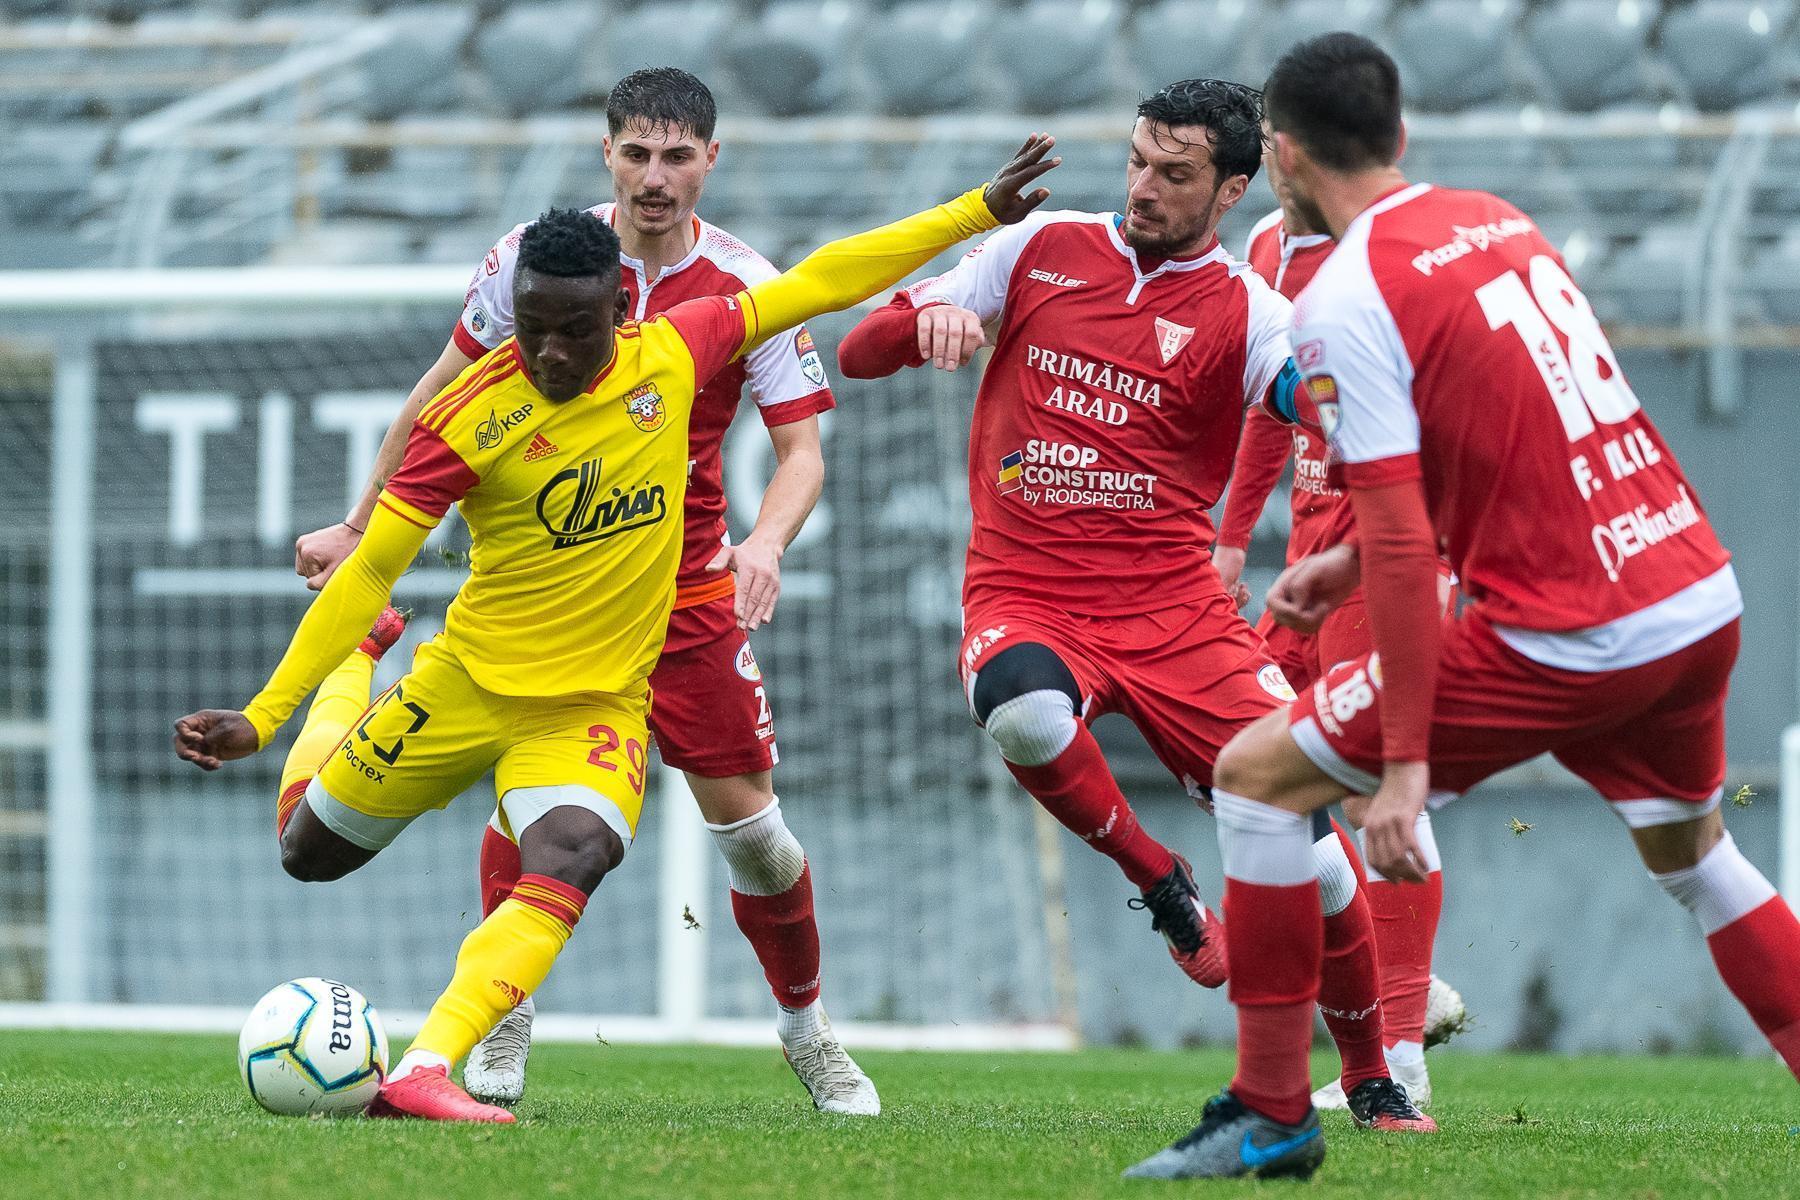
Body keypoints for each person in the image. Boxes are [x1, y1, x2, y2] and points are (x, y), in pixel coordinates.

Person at [173, 137, 1061, 1123]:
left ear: (621, 312)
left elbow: (826, 278)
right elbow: (372, 567)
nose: (552, 354)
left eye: (576, 332)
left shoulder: (675, 352)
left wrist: (977, 210)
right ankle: (366, 672)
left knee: (580, 848)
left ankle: (428, 1066)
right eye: (532, 331)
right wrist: (265, 715)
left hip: (591, 705)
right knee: (306, 851)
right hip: (465, 685)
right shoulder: (466, 417)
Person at [1126, 34, 1800, 1181]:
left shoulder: (1347, 291)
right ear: (1398, 133)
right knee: (1698, 859)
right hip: (1688, 590)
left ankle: (1274, 1110)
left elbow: (1398, 536)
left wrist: (1401, 771)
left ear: (1281, 156)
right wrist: (1345, 563)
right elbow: (1517, 431)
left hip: (1569, 629)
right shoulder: (1495, 221)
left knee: (1256, 780)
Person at [838, 80, 1427, 1133]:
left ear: (1233, 190)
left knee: (1316, 858)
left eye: (1176, 173)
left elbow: (1304, 394)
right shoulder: (1039, 248)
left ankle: (1374, 1075)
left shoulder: (1249, 309)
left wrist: (1358, 411)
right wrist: (925, 316)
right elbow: (858, 351)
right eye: (1138, 161)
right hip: (1027, 592)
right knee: (1023, 710)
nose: (1144, 187)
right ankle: (1162, 883)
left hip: (1177, 615)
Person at [292, 68, 866, 1113]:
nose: (655, 177)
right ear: (607, 153)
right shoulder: (536, 258)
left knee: (754, 834)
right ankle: (499, 1013)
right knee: (533, 801)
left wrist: (767, 542)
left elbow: (801, 453)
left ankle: (806, 1027)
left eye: (677, 156)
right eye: (636, 153)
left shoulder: (746, 284)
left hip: (686, 595)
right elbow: (438, 395)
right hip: (546, 585)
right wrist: (358, 520)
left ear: (711, 161)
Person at [1216, 158, 1467, 1110]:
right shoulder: (1265, 247)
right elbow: (1267, 405)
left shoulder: (1407, 249)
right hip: (1308, 559)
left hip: (1389, 552)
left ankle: (1397, 1048)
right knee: (1254, 769)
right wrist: (1232, 540)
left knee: (1366, 786)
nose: (1281, 162)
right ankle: (1400, 997)